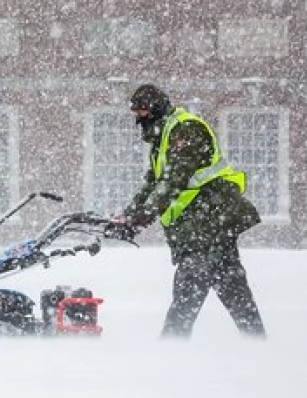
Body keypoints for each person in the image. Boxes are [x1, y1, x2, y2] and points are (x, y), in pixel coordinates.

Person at [112, 84, 267, 338]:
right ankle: (259, 344)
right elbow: (153, 183)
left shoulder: (185, 130)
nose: (138, 118)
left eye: (142, 111)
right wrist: (129, 215)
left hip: (209, 221)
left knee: (187, 295)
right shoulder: (164, 138)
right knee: (234, 292)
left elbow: (174, 180)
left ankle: (171, 351)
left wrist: (142, 218)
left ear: (156, 109)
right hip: (205, 226)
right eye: (135, 112)